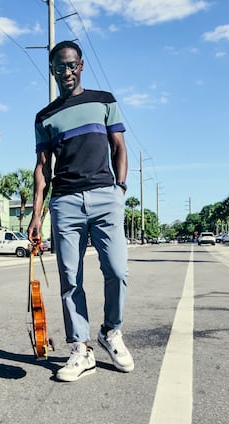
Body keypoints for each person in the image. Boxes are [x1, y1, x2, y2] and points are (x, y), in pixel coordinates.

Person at [27, 40, 134, 382]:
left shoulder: (104, 101)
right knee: (70, 279)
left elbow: (119, 147)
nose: (67, 72)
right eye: (60, 67)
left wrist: (119, 189)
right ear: (52, 71)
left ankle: (111, 332)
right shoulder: (44, 117)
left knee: (116, 270)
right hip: (66, 203)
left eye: (72, 65)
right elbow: (42, 167)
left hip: (105, 197)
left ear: (81, 66)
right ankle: (80, 348)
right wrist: (36, 213)